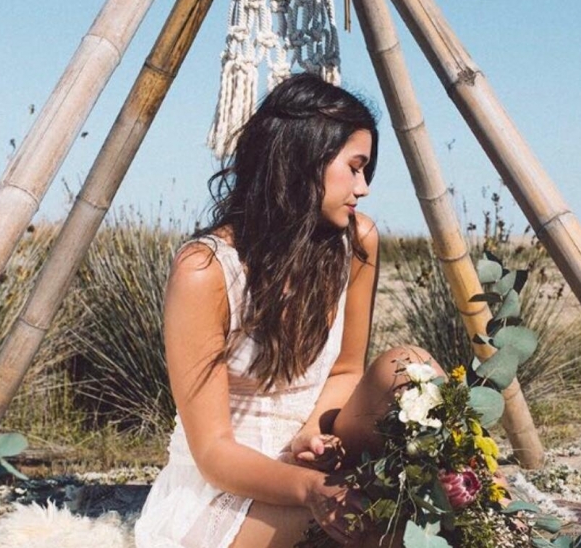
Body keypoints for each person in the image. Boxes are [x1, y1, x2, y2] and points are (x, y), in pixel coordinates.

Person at [135, 74, 444, 548]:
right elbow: (213, 451)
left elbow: (345, 370)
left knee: (409, 369)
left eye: (367, 171)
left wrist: (313, 436)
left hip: (318, 448)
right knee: (384, 526)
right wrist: (310, 489)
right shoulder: (205, 271)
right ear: (303, 160)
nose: (363, 188)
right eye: (354, 167)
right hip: (232, 480)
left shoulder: (356, 241)